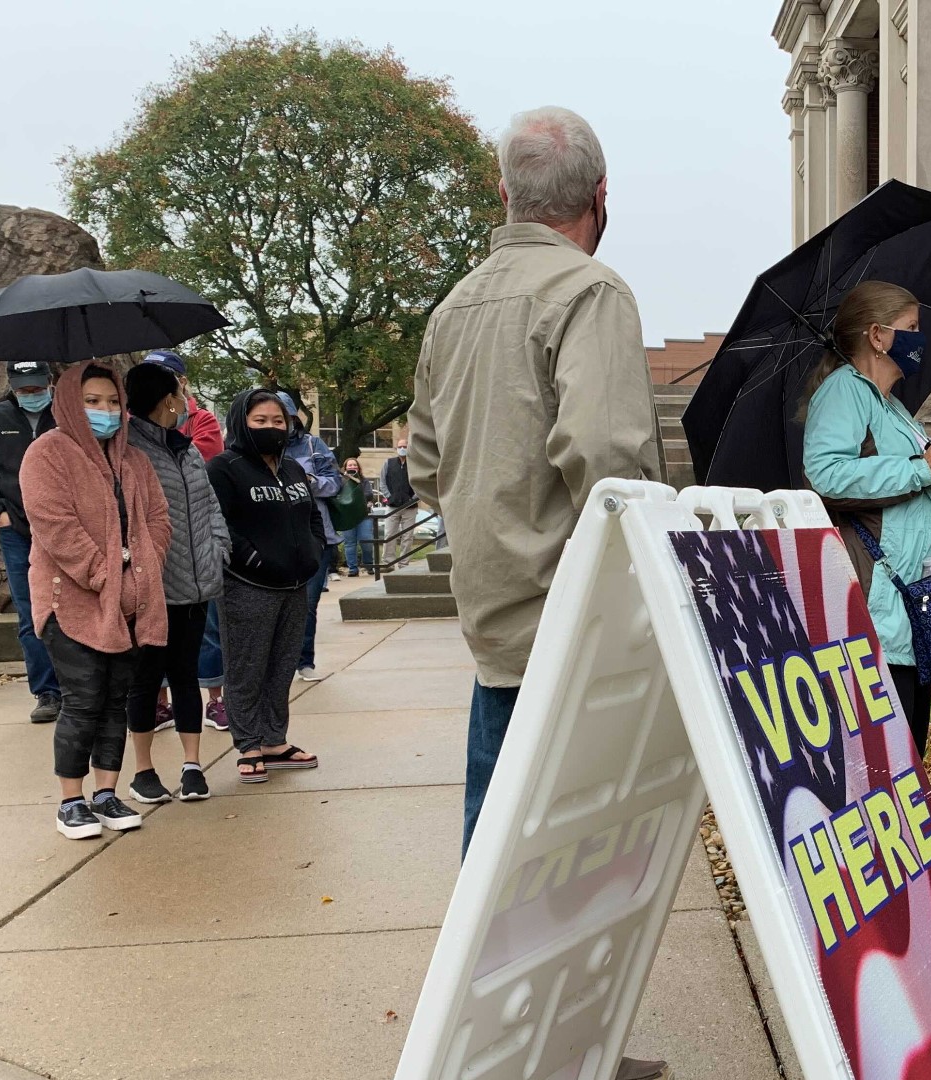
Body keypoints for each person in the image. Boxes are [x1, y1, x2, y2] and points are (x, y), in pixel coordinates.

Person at [409, 104, 668, 1080]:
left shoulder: (455, 309)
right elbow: (610, 464)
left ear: (503, 193)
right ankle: (545, 1056)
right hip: (576, 630)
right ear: (601, 197)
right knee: (577, 863)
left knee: (503, 866)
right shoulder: (591, 292)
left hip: (496, 629)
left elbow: (427, 466)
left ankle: (535, 1051)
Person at [801, 281, 931, 757]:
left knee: (910, 746)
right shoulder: (844, 392)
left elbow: (916, 487)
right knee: (884, 754)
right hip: (878, 602)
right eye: (910, 328)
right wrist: (919, 469)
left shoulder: (892, 406)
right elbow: (827, 473)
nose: (919, 339)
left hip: (912, 601)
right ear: (877, 335)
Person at [19, 361, 173, 839]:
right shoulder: (47, 454)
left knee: (115, 701)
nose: (105, 411)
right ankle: (70, 800)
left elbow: (159, 521)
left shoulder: (134, 461)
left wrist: (142, 574)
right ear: (69, 402)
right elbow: (55, 527)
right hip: (71, 602)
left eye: (112, 402)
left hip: (131, 602)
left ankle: (106, 792)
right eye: (92, 402)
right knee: (82, 699)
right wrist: (108, 575)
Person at [122, 361, 229, 804]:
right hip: (153, 587)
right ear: (168, 398)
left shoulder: (186, 449)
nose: (185, 398)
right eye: (180, 391)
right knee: (146, 678)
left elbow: (209, 507)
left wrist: (218, 549)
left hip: (198, 582)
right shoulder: (126, 452)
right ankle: (143, 770)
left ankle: (192, 765)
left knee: (185, 674)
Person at [208, 389, 324, 783]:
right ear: (242, 422)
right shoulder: (224, 468)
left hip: (295, 584)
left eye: (278, 421)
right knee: (247, 665)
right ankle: (249, 744)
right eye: (260, 421)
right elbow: (220, 524)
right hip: (248, 584)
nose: (271, 428)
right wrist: (253, 559)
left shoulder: (292, 469)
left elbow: (311, 517)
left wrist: (315, 550)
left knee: (281, 665)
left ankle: (275, 740)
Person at [0, 361, 63, 723]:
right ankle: (47, 691)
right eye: (24, 389)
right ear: (12, 385)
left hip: (65, 528)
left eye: (37, 388)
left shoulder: (66, 414)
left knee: (74, 606)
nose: (31, 395)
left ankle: (81, 686)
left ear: (50, 383)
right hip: (17, 531)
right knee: (30, 611)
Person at [274, 392, 341, 681]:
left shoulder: (314, 445)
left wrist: (311, 482)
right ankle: (278, 662)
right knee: (277, 605)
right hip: (275, 539)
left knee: (307, 603)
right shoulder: (249, 451)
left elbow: (335, 482)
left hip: (316, 536)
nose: (277, 425)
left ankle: (304, 660)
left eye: (282, 419)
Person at [380, 436, 419, 567]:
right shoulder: (388, 463)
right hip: (392, 506)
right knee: (389, 535)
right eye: (400, 446)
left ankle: (404, 563)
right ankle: (388, 563)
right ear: (396, 448)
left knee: (408, 536)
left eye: (405, 446)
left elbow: (420, 484)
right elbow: (382, 482)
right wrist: (389, 497)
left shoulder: (415, 464)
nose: (402, 449)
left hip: (411, 507)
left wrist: (413, 499)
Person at [338, 457, 377, 576]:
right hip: (348, 516)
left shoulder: (364, 481)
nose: (352, 467)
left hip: (363, 515)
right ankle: (353, 569)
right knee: (349, 543)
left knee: (367, 541)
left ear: (358, 467)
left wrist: (351, 498)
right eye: (349, 465)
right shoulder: (340, 481)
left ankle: (369, 565)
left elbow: (369, 495)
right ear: (345, 468)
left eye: (354, 465)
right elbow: (338, 496)